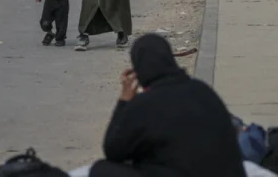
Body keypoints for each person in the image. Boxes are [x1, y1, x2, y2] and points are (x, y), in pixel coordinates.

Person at [87, 34, 246, 177]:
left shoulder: (144, 104)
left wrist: (124, 100)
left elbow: (113, 150)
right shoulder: (203, 90)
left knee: (102, 169)